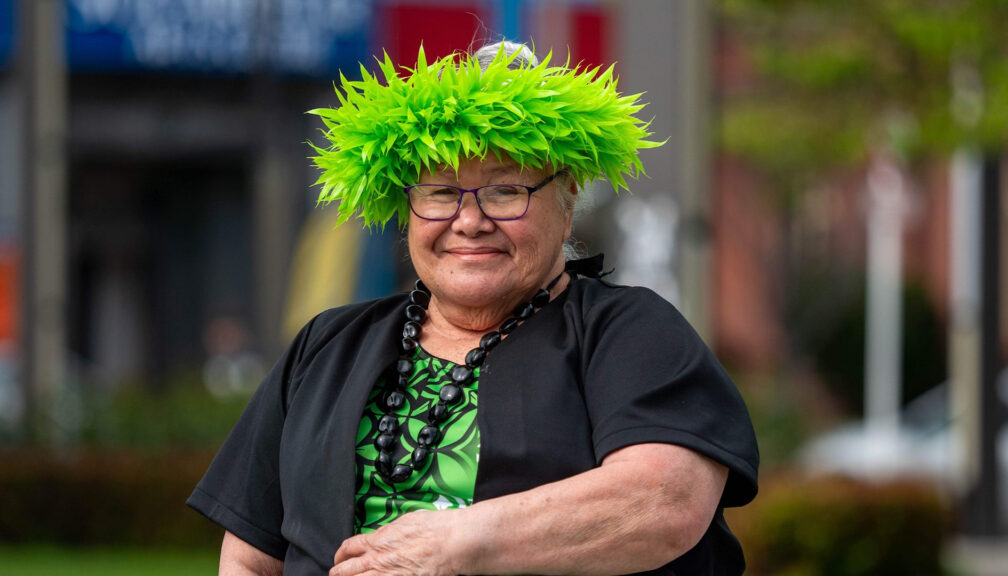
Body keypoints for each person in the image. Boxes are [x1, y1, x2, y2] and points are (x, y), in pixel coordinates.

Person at [188, 42, 758, 576]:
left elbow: (664, 501)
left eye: (505, 190)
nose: (469, 221)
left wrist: (452, 545)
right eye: (440, 192)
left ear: (566, 204)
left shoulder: (629, 331)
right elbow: (249, 559)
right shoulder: (328, 343)